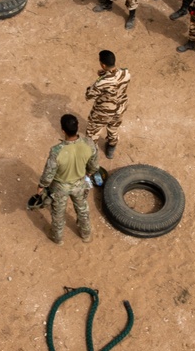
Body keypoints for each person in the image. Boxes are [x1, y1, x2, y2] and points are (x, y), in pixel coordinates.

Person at [37, 113, 98, 244]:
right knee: (82, 211)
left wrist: (41, 186)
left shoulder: (56, 151)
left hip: (60, 187)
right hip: (80, 184)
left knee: (58, 214)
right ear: (77, 128)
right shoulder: (89, 144)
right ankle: (86, 235)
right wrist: (88, 173)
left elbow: (49, 174)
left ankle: (57, 238)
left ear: (63, 130)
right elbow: (93, 166)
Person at [85, 50, 130, 159]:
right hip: (120, 108)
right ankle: (111, 149)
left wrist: (99, 80)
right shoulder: (126, 73)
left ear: (103, 65)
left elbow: (89, 95)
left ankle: (92, 156)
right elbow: (115, 79)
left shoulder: (101, 82)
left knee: (92, 133)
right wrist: (105, 73)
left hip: (103, 112)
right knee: (113, 129)